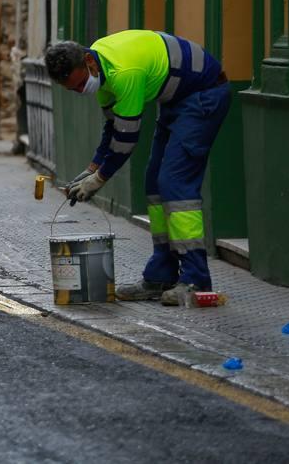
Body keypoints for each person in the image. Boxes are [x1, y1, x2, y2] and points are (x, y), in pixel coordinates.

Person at [44, 30, 230, 305]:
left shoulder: (123, 72)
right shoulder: (100, 68)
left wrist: (98, 180)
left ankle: (196, 280)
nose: (81, 91)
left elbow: (126, 139)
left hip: (203, 95)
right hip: (176, 100)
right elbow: (112, 128)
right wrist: (91, 168)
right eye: (72, 89)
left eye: (81, 83)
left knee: (175, 185)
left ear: (88, 63)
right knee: (154, 183)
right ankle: (161, 276)